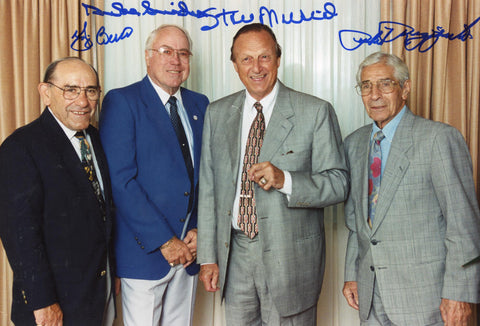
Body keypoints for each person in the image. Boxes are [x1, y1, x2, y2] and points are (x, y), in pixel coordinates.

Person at [197, 23, 348, 325]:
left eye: (264, 57)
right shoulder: (218, 112)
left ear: (278, 59)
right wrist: (208, 256)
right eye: (246, 59)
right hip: (235, 254)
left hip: (290, 261)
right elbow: (210, 188)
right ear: (235, 65)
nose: (256, 67)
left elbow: (339, 183)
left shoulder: (315, 111)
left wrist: (286, 180)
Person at [342, 52, 480, 325]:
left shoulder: (438, 138)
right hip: (371, 296)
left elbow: (463, 224)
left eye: (385, 84)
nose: (374, 94)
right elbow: (357, 223)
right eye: (366, 86)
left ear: (405, 88)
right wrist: (352, 274)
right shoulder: (354, 143)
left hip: (427, 300)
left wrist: (459, 294)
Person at [99, 24, 209, 326]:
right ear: (148, 57)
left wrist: (201, 230)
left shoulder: (201, 104)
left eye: (183, 53)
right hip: (146, 253)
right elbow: (121, 182)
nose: (176, 60)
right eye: (166, 51)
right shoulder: (123, 101)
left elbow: (209, 177)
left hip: (188, 251)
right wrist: (164, 241)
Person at [0, 57, 115, 325]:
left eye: (91, 90)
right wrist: (43, 302)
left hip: (96, 295)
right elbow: (20, 236)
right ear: (46, 93)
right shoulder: (21, 148)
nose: (83, 101)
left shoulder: (96, 139)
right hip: (52, 307)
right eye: (71, 90)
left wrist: (112, 273)